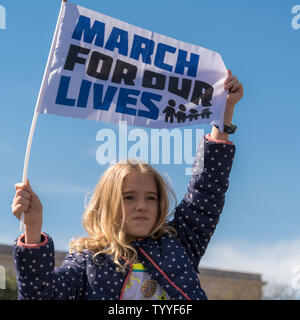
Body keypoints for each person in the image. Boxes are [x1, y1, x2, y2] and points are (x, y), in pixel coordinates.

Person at [11, 70, 243, 300]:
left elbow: (207, 189)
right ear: (106, 204)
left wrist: (224, 115)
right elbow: (41, 296)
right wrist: (32, 231)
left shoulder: (179, 242)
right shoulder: (88, 260)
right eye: (129, 197)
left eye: (151, 197)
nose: (142, 206)